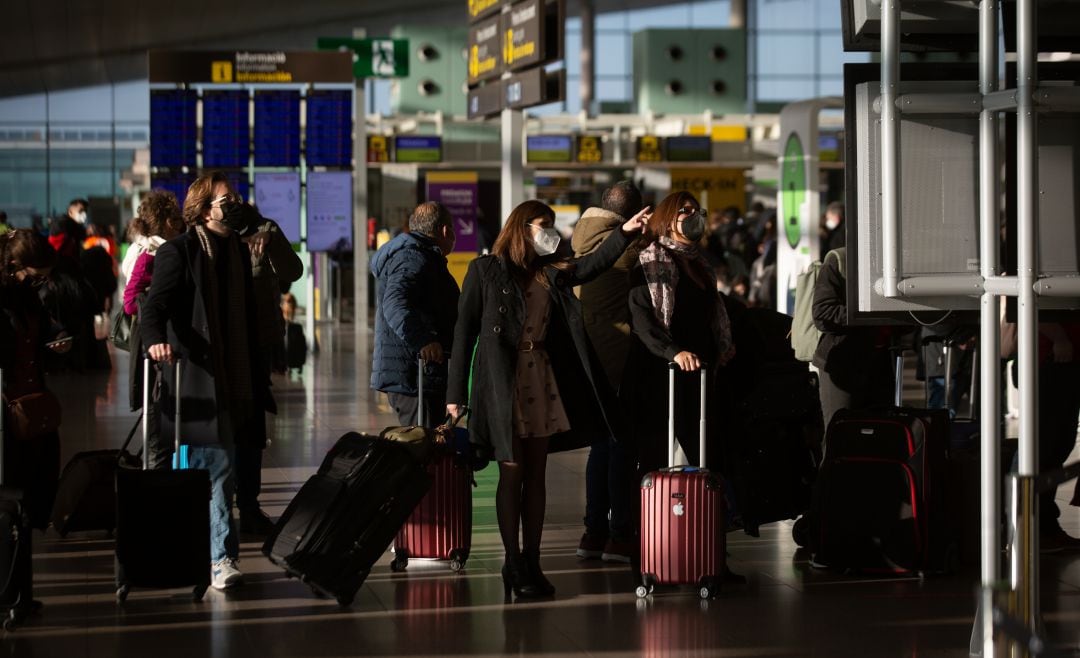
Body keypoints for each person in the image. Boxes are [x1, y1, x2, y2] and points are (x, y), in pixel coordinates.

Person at [446, 199, 646, 599]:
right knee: (512, 472)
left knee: (535, 475)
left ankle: (533, 559)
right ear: (521, 227)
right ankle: (512, 560)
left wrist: (624, 234)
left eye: (552, 224)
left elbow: (591, 266)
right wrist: (455, 395)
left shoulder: (549, 273)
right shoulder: (484, 271)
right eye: (543, 224)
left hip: (540, 377)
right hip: (501, 384)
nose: (550, 231)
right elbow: (463, 332)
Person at [140, 172, 276, 591]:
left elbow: (287, 270)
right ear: (203, 210)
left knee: (229, 468)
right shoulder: (180, 252)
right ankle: (221, 558)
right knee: (215, 468)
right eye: (225, 199)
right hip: (199, 376)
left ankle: (212, 549)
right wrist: (156, 343)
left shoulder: (243, 245)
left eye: (237, 197)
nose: (233, 203)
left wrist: (260, 227)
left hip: (240, 375)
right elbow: (153, 308)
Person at [621, 191, 737, 478]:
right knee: (656, 448)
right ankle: (649, 518)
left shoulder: (700, 263)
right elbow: (642, 319)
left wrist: (724, 344)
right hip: (663, 369)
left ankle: (711, 511)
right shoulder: (650, 261)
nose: (693, 216)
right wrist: (673, 351)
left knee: (707, 446)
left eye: (697, 211)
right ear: (667, 219)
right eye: (685, 210)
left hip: (701, 370)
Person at [570, 181, 644, 563]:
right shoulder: (628, 247)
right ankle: (619, 534)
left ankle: (593, 533)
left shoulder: (581, 239)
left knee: (600, 448)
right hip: (618, 357)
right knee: (621, 448)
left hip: (590, 358)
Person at [233, 203, 303, 535]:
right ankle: (217, 508)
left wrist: (270, 239)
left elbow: (293, 270)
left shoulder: (267, 231)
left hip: (257, 344)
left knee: (252, 430)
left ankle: (248, 505)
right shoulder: (205, 237)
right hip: (220, 348)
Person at [0, 230, 70, 532]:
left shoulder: (28, 295)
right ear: (13, 265)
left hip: (32, 395)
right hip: (6, 399)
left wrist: (58, 338)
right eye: (34, 277)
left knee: (42, 465)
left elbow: (46, 326)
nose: (39, 283)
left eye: (43, 278)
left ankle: (29, 523)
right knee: (12, 470)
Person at [371, 201, 458, 427]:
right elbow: (395, 302)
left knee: (426, 445)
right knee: (422, 446)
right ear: (445, 231)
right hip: (416, 374)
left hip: (418, 372)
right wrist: (423, 340)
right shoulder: (413, 257)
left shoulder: (421, 256)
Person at [122, 190, 185, 469]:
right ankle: (157, 480)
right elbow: (129, 302)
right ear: (168, 222)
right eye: (177, 218)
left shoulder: (152, 249)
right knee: (158, 417)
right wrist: (153, 306)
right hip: (154, 345)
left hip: (158, 341)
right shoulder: (151, 253)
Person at [811, 246, 893, 427]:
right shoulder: (839, 259)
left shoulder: (895, 260)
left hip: (880, 362)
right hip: (842, 364)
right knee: (840, 433)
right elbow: (822, 314)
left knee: (880, 431)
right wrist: (868, 314)